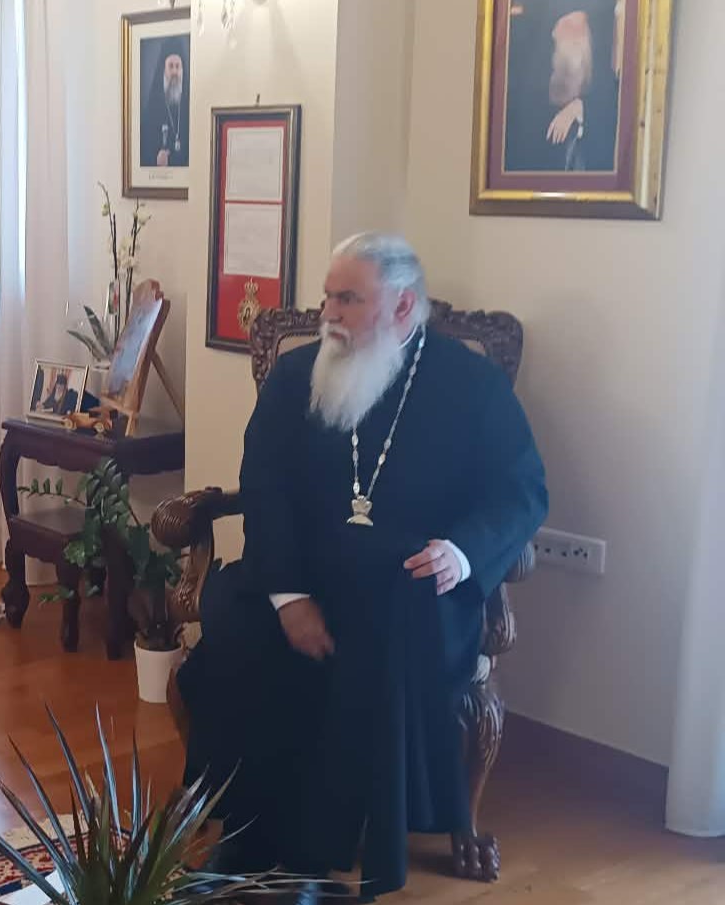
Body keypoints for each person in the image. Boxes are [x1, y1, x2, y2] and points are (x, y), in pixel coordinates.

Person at [178, 233, 547, 901]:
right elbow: (264, 486)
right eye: (328, 296)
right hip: (299, 570)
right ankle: (250, 828)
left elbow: (520, 492)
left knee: (388, 632)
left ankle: (328, 843)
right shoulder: (296, 376)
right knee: (239, 624)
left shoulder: (471, 385)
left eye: (348, 299)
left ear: (403, 307)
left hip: (412, 583)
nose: (329, 314)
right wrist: (290, 597)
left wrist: (462, 552)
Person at [504, 0, 621, 173]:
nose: (556, 32)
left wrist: (581, 107)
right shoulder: (533, 62)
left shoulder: (601, 38)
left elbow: (617, 99)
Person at [139, 40, 189, 168]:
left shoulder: (190, 104)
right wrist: (155, 158)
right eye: (170, 66)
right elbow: (143, 149)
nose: (174, 72)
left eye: (178, 66)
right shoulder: (153, 107)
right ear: (164, 70)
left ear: (182, 70)